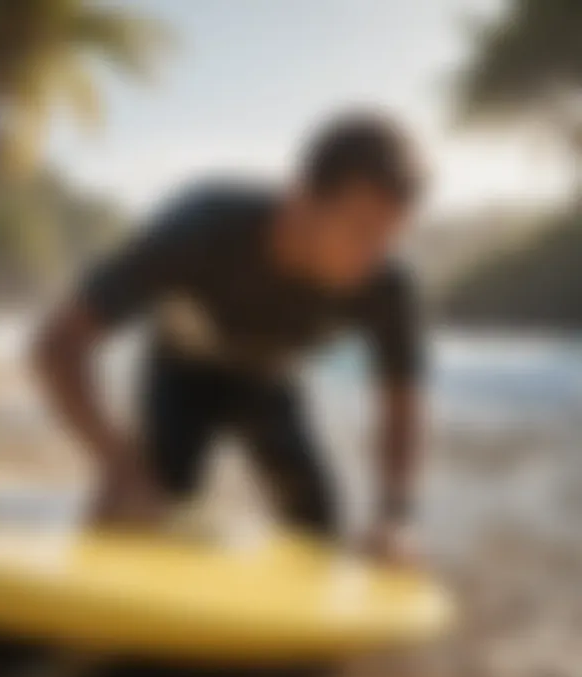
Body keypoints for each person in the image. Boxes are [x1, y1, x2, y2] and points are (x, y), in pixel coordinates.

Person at [33, 111, 426, 563]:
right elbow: (57, 343)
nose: (373, 259)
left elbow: (402, 406)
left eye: (389, 238)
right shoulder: (203, 228)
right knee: (142, 515)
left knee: (320, 529)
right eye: (361, 231)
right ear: (301, 199)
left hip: (268, 381)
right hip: (180, 374)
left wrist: (396, 516)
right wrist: (117, 461)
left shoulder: (387, 285)